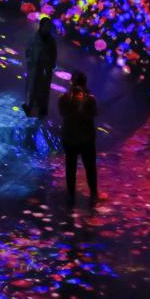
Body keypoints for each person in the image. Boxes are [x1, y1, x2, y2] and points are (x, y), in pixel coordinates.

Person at [58, 71, 98, 208]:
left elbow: (62, 113)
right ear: (85, 83)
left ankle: (71, 196)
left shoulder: (64, 98)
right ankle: (93, 194)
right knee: (90, 167)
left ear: (72, 82)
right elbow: (93, 114)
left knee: (71, 168)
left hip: (70, 137)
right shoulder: (90, 98)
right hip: (86, 138)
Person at [23, 17, 57, 117]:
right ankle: (29, 106)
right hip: (34, 67)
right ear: (41, 26)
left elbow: (54, 53)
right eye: (46, 26)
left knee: (44, 89)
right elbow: (28, 50)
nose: (47, 28)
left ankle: (42, 108)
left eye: (49, 27)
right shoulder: (34, 38)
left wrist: (51, 65)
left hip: (46, 69)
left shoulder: (51, 41)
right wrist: (30, 62)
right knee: (32, 87)